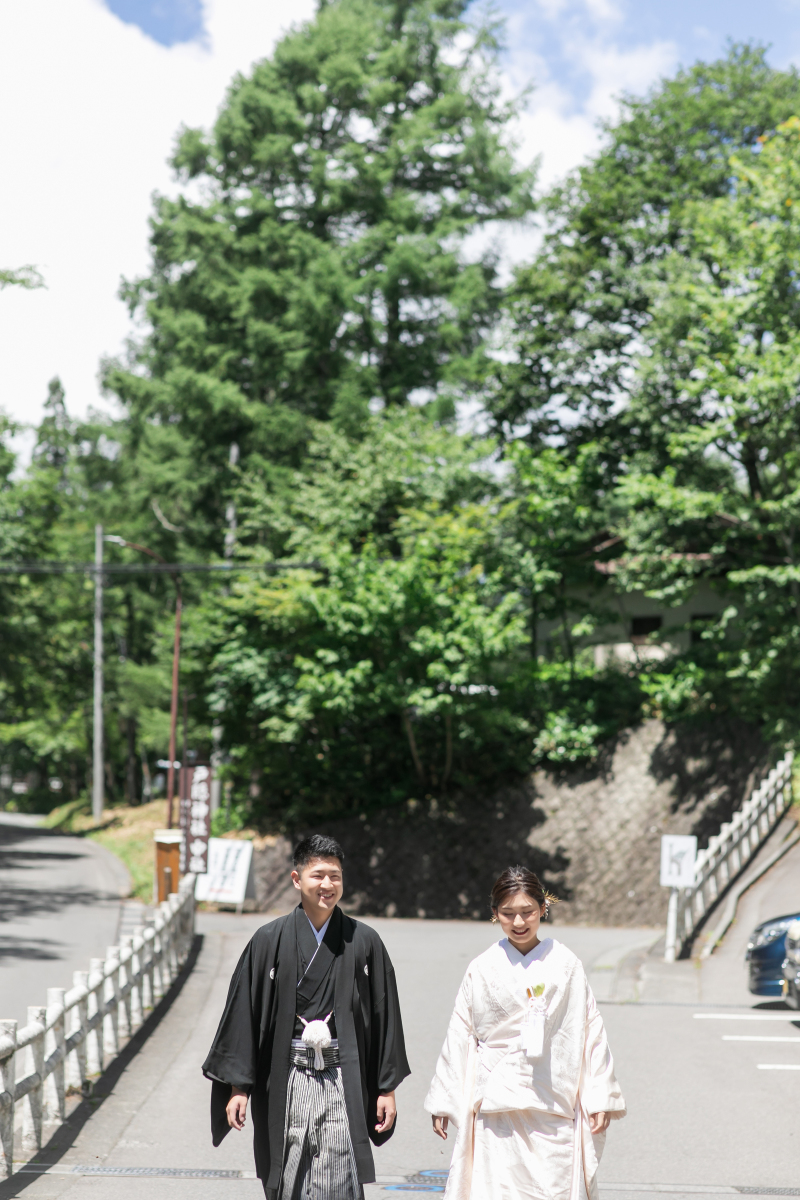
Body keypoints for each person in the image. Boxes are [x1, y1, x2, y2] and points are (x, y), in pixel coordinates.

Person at [202, 833, 410, 1199]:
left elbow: (384, 1016)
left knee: (340, 1172)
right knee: (289, 1171)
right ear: (297, 879)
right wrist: (238, 1088)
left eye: (335, 876)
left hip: (342, 1076)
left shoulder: (364, 942)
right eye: (318, 875)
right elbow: (244, 1015)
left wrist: (386, 1088)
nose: (327, 884)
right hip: (287, 1075)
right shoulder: (269, 940)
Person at [425, 865, 625, 1200]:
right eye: (508, 913)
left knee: (552, 1189)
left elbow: (589, 1029)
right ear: (494, 914)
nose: (518, 923)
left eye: (527, 912)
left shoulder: (566, 964)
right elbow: (460, 1031)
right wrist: (445, 1098)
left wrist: (598, 1094)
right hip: (496, 1105)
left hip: (552, 1102)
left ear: (543, 909)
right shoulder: (482, 967)